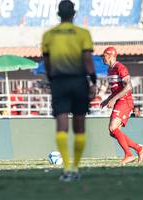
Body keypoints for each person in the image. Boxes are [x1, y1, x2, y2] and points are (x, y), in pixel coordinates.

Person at [42, 0, 96, 182]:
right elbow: (88, 59)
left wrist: (51, 78)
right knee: (79, 125)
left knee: (62, 125)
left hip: (59, 82)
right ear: (74, 14)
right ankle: (75, 168)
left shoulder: (49, 35)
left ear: (59, 14)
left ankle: (66, 169)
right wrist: (93, 81)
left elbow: (47, 62)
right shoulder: (83, 34)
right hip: (79, 81)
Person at [100, 47, 143, 165]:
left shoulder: (120, 68)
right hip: (119, 101)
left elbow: (128, 87)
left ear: (110, 55)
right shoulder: (109, 70)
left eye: (104, 55)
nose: (102, 57)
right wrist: (107, 99)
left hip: (125, 101)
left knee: (113, 128)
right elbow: (116, 90)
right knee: (112, 131)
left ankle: (129, 154)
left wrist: (113, 99)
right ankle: (139, 148)